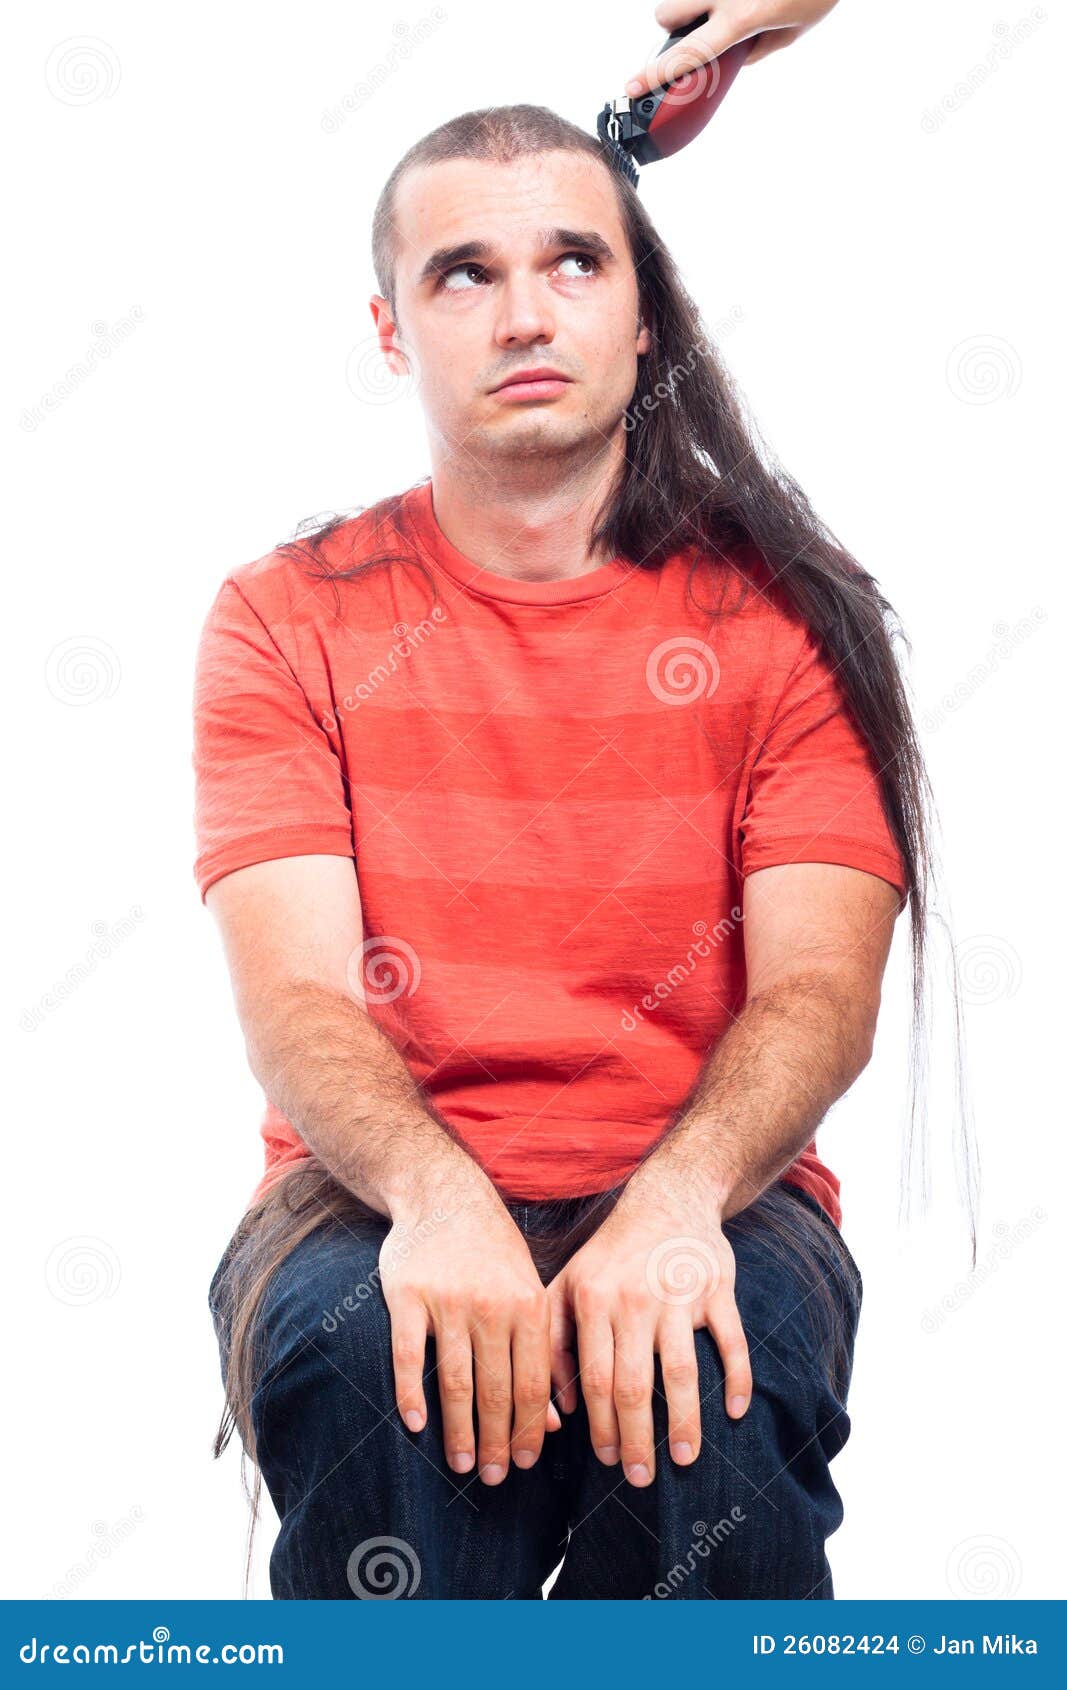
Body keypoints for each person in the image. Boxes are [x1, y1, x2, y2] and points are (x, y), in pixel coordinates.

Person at [194, 74, 950, 1598]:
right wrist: (436, 1192)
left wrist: (670, 1205)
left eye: (573, 263)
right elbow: (296, 1001)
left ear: (642, 315)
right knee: (364, 1353)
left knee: (708, 1383)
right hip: (373, 1194)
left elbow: (819, 991)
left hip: (715, 1187)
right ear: (393, 332)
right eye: (465, 274)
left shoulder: (792, 616)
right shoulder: (286, 617)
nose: (525, 314)